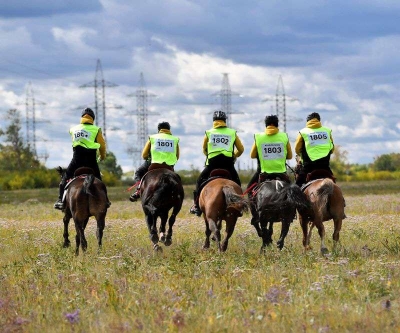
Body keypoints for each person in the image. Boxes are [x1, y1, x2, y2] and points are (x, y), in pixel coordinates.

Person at [189, 110, 244, 216]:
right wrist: (234, 156)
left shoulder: (209, 133)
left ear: (214, 121)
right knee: (237, 183)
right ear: (225, 121)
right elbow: (241, 149)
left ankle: (196, 205)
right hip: (228, 164)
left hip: (213, 164)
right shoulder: (232, 132)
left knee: (199, 182)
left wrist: (209, 155)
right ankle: (239, 205)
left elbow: (204, 149)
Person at [54, 107, 109, 210]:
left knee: (65, 179)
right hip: (91, 160)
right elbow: (102, 146)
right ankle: (105, 200)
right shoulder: (96, 129)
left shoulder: (73, 129)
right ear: (93, 118)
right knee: (100, 182)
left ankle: (60, 200)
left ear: (82, 117)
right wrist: (102, 156)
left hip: (77, 159)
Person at [129, 121, 180, 201]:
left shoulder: (153, 138)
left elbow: (144, 154)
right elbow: (177, 156)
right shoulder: (174, 139)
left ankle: (138, 191)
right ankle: (179, 195)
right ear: (169, 129)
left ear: (159, 129)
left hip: (154, 163)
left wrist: (148, 158)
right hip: (169, 166)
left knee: (139, 172)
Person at [247, 114, 293, 190]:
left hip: (264, 173)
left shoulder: (259, 137)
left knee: (249, 189)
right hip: (281, 173)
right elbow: (290, 156)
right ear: (277, 124)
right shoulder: (284, 136)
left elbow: (252, 155)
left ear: (266, 125)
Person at [294, 112, 334, 187]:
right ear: (319, 120)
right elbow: (332, 149)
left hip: (308, 166)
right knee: (333, 183)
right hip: (325, 165)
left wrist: (301, 156)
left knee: (296, 187)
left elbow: (297, 149)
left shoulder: (303, 132)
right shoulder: (327, 131)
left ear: (308, 121)